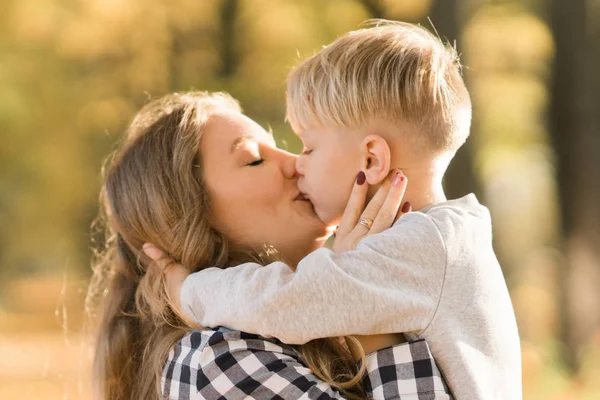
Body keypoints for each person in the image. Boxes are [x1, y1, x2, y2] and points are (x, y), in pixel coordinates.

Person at [144, 21, 522, 399]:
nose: (297, 163)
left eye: (309, 147)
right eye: (256, 160)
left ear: (372, 160)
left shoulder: (417, 247)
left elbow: (284, 302)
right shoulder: (450, 238)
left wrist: (190, 290)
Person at [88, 91, 451, 399]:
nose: (297, 163)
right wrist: (367, 308)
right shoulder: (221, 362)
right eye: (254, 159)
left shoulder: (312, 330)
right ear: (187, 219)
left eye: (283, 147)